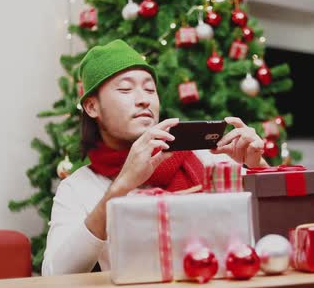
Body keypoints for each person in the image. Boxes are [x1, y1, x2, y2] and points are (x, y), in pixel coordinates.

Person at [42, 39, 268, 276]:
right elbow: (54, 274)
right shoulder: (78, 187)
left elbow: (273, 231)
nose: (144, 99)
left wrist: (257, 167)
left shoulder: (206, 158)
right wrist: (121, 187)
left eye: (150, 89)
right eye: (125, 89)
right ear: (91, 107)